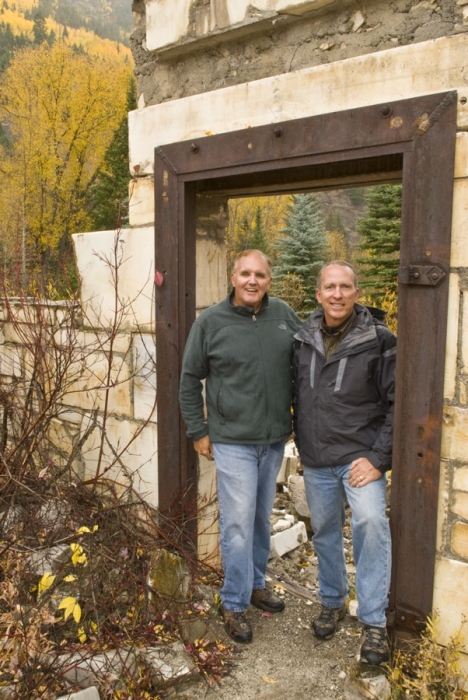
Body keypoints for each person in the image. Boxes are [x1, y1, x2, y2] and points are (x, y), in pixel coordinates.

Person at [179, 249, 302, 644]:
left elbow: (307, 364)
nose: (253, 281)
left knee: (260, 517)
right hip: (232, 441)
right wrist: (198, 430)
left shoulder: (283, 315)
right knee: (236, 523)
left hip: (273, 438)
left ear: (269, 279)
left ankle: (255, 584)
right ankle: (233, 603)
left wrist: (298, 420)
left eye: (261, 275)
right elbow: (188, 379)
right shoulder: (211, 323)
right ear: (233, 277)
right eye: (246, 274)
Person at [293, 260, 396, 665]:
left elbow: (396, 404)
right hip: (318, 459)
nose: (337, 294)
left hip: (360, 458)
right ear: (318, 294)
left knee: (371, 524)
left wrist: (377, 459)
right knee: (325, 532)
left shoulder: (380, 339)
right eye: (330, 287)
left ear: (357, 292)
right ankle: (333, 600)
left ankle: (373, 621)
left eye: (345, 287)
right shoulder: (302, 339)